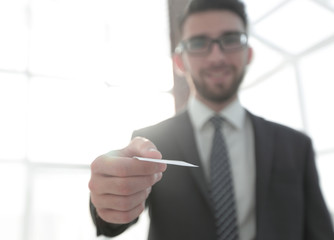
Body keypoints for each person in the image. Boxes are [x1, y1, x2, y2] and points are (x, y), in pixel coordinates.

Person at [88, 0, 334, 239]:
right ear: (179, 62)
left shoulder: (296, 146)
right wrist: (109, 199)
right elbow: (113, 222)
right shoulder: (151, 142)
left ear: (248, 54)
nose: (216, 57)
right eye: (198, 43)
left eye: (231, 40)